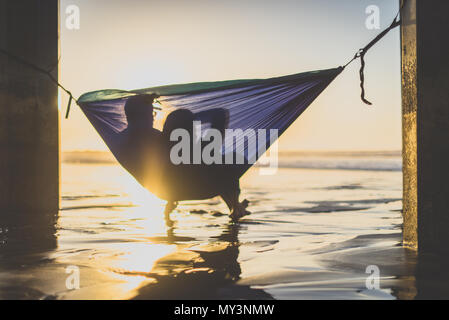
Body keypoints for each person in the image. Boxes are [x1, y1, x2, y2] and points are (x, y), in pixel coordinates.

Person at [121, 94, 250, 221]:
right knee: (227, 162)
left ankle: (234, 206)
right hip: (199, 186)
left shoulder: (157, 143)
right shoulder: (202, 150)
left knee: (220, 163)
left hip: (168, 191)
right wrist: (193, 118)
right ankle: (235, 206)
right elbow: (220, 114)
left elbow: (135, 125)